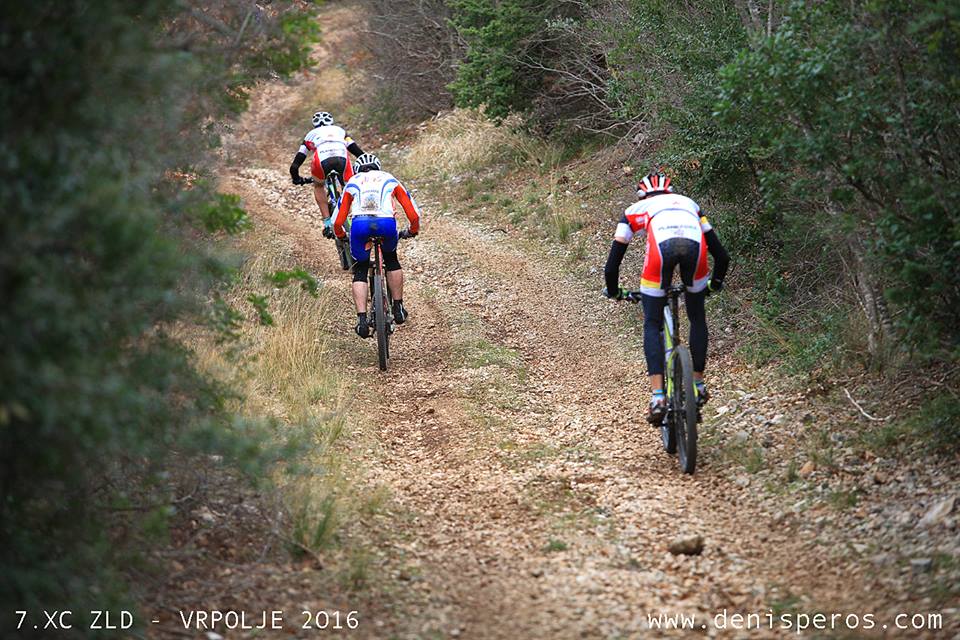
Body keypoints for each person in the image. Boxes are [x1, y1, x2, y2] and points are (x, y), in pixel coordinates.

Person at [603, 172, 730, 424]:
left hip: (661, 252)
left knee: (652, 323)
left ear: (642, 195)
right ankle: (698, 385)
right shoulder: (690, 204)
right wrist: (714, 285)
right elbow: (722, 256)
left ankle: (658, 397)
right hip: (696, 249)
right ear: (671, 193)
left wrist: (615, 291)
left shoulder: (634, 210)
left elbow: (612, 264)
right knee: (697, 317)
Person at [333, 153, 421, 338]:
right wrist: (412, 230)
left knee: (360, 269)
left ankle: (362, 320)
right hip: (386, 224)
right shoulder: (389, 179)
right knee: (391, 260)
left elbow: (337, 221)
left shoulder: (352, 181)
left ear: (358, 170)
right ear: (378, 167)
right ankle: (398, 307)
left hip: (360, 226)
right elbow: (413, 214)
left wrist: (342, 236)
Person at [288, 111, 365, 237]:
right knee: (349, 186)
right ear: (332, 122)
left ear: (314, 125)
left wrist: (297, 178)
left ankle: (328, 223)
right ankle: (357, 217)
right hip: (342, 158)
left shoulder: (310, 135)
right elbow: (357, 152)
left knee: (318, 185)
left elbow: (295, 164)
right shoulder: (340, 131)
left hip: (322, 160)